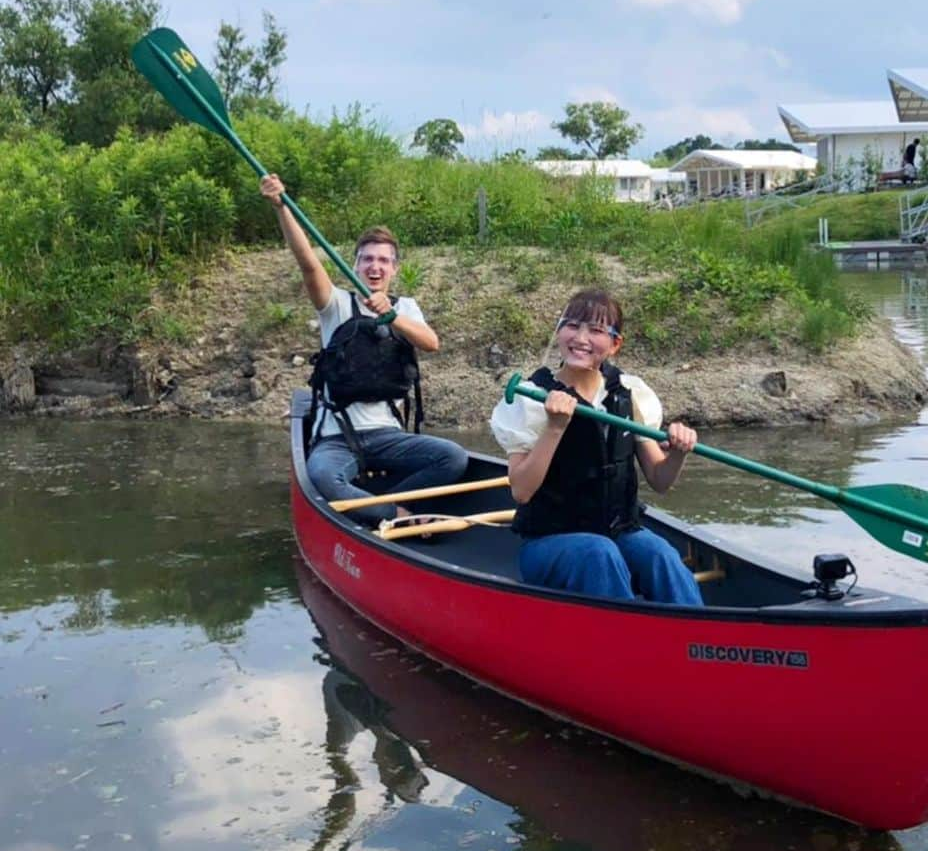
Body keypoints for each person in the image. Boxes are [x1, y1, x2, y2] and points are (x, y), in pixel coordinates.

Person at [260, 174, 467, 526]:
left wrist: (391, 316)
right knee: (323, 476)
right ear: (355, 265)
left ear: (394, 269)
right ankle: (397, 514)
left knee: (454, 458)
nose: (375, 267)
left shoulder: (407, 307)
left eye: (383, 261)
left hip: (389, 434)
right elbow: (308, 263)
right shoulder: (335, 304)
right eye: (367, 259)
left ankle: (379, 506)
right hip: (337, 437)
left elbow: (431, 343)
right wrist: (282, 208)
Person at [489, 288, 704, 606]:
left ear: (615, 344)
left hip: (618, 532)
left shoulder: (630, 393)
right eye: (572, 325)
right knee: (598, 553)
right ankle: (625, 639)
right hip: (549, 543)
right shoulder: (531, 398)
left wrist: (679, 453)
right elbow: (521, 491)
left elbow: (660, 480)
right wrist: (555, 427)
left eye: (596, 330)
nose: (581, 338)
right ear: (559, 331)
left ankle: (696, 639)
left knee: (661, 554)